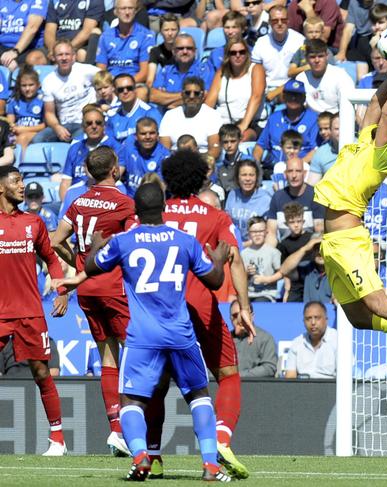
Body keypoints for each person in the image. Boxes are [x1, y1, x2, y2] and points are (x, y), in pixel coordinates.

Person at [53, 183, 232, 481]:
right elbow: (213, 281)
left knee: (131, 401)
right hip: (180, 331)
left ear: (135, 210)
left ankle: (140, 457)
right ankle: (210, 464)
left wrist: (96, 246)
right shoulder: (184, 240)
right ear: (163, 208)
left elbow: (92, 267)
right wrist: (218, 261)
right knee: (198, 395)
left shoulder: (124, 241)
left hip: (142, 335)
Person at [313, 40, 387, 339]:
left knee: (377, 302)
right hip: (332, 242)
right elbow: (379, 103)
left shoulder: (382, 159)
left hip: (349, 241)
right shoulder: (366, 139)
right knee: (358, 318)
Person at [156, 149, 254, 480]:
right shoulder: (215, 216)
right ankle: (222, 438)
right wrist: (243, 305)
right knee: (227, 374)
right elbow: (235, 259)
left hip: (157, 308)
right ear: (202, 179)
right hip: (200, 306)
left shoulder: (155, 214)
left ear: (168, 179)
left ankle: (151, 455)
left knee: (157, 384)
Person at [50, 147, 135, 457]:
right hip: (114, 287)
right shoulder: (124, 203)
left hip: (86, 290)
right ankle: (135, 430)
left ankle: (116, 432)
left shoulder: (78, 202)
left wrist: (81, 267)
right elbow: (133, 244)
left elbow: (56, 241)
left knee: (108, 359)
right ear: (114, 170)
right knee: (135, 354)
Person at [0, 165, 69, 456]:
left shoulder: (34, 223)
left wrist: (62, 290)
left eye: (22, 179)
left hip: (29, 311)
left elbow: (51, 259)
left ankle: (58, 440)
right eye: (16, 181)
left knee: (42, 372)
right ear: (0, 187)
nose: (22, 185)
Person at [34, 39, 100, 144]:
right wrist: (57, 127)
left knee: (76, 142)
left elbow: (107, 80)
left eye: (67, 54)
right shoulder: (49, 81)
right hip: (64, 125)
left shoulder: (87, 71)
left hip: (85, 123)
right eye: (60, 55)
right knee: (37, 140)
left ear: (73, 56)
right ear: (54, 58)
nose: (64, 58)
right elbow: (49, 113)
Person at [205, 37, 266, 142]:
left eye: (242, 52)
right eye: (233, 53)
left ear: (247, 53)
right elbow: (209, 103)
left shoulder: (256, 69)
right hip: (224, 125)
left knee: (240, 139)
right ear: (228, 55)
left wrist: (243, 126)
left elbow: (256, 96)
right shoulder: (221, 72)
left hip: (250, 125)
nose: (238, 55)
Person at [252, 79, 320, 170]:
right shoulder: (274, 118)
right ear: (284, 97)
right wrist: (255, 166)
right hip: (273, 169)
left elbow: (315, 150)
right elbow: (260, 146)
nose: (293, 98)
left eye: (297, 95)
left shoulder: (313, 119)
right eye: (290, 95)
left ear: (304, 98)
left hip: (302, 170)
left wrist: (294, 168)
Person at [59, 105, 121, 201]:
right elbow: (65, 182)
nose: (94, 126)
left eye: (98, 122)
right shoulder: (75, 148)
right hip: (76, 199)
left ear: (104, 125)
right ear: (83, 127)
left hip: (104, 199)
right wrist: (66, 206)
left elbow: (115, 179)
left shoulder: (114, 147)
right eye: (89, 123)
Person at [159, 76, 223, 158]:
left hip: (203, 164)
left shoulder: (213, 116)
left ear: (203, 95)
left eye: (196, 93)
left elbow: (214, 151)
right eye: (187, 93)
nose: (191, 96)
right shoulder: (170, 116)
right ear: (182, 94)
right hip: (175, 163)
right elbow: (164, 151)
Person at [266, 157, 325, 247]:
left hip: (310, 250)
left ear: (304, 174)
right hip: (285, 250)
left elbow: (319, 230)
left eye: (298, 171)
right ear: (285, 174)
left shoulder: (315, 195)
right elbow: (271, 234)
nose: (294, 175)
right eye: (290, 171)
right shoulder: (277, 197)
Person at [96, 0, 156, 85]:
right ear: (116, 12)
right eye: (123, 9)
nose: (127, 12)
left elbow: (144, 73)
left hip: (135, 83)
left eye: (130, 8)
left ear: (135, 11)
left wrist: (124, 84)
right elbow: (101, 70)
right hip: (111, 84)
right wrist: (113, 85)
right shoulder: (105, 36)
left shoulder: (146, 36)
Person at [251, 5, 305, 98]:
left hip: (293, 89)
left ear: (288, 21)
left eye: (283, 20)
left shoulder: (300, 41)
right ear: (269, 22)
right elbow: (254, 73)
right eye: (275, 20)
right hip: (266, 89)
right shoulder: (261, 43)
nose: (279, 23)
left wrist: (277, 92)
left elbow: (304, 73)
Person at [151, 34, 215, 111]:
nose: (185, 51)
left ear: (195, 51)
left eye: (189, 48)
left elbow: (205, 96)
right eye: (180, 48)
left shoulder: (204, 70)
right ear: (173, 51)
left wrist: (166, 99)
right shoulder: (166, 70)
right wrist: (190, 95)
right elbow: (153, 96)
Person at [295, 39, 355, 114]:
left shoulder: (341, 76)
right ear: (306, 58)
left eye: (320, 56)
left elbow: (347, 108)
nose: (317, 60)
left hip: (336, 119)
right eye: (312, 57)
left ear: (327, 56)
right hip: (311, 121)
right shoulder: (301, 79)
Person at [118, 117, 171, 197]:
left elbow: (161, 187)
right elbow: (118, 173)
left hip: (152, 201)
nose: (148, 137)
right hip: (128, 200)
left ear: (157, 135)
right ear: (136, 136)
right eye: (143, 134)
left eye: (152, 133)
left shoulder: (165, 157)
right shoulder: (128, 147)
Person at [276, 202, 319, 302]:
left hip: (313, 280)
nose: (296, 225)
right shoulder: (284, 244)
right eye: (292, 222)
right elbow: (285, 270)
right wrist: (287, 289)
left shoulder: (312, 238)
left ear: (303, 221)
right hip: (295, 284)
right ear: (286, 224)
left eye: (299, 221)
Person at [225, 159, 272, 245]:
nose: (248, 179)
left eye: (251, 175)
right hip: (235, 245)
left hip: (256, 246)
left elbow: (269, 233)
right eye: (244, 175)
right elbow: (227, 224)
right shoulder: (232, 194)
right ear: (237, 177)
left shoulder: (266, 199)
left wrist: (243, 245)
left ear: (256, 177)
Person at [284, 301, 336, 378]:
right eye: (308, 318)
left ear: (326, 319)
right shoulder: (297, 343)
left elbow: (347, 376)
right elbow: (290, 377)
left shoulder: (338, 341)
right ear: (303, 322)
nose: (313, 322)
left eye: (317, 318)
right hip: (302, 388)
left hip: (331, 388)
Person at [230, 300, 278, 377]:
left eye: (242, 316)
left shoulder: (265, 338)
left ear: (252, 316)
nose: (239, 319)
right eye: (235, 316)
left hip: (255, 386)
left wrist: (237, 376)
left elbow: (269, 368)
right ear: (230, 318)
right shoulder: (223, 340)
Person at [107, 74, 161, 142]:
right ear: (115, 92)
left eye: (129, 88)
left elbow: (157, 141)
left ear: (135, 89)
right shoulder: (113, 116)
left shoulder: (150, 112)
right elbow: (110, 143)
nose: (125, 91)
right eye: (120, 89)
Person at [241, 216, 283, 302]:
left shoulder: (273, 252)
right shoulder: (243, 254)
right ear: (249, 234)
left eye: (260, 231)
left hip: (267, 294)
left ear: (266, 232)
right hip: (248, 294)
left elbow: (282, 272)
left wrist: (267, 279)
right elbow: (239, 276)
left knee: (259, 302)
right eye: (254, 232)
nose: (257, 234)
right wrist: (247, 273)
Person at [6, 65, 46, 154]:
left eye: (31, 85)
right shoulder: (14, 101)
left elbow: (45, 125)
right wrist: (13, 127)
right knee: (10, 139)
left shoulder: (43, 100)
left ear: (38, 85)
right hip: (17, 132)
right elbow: (9, 122)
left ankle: (19, 166)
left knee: (22, 138)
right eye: (24, 85)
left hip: (36, 132)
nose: (27, 89)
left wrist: (24, 129)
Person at [0, 0, 47, 72]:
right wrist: (2, 55)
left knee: (33, 58)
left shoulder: (37, 1)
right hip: (3, 46)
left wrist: (15, 52)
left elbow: (32, 28)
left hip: (29, 47)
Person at [146, 13, 180, 87]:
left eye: (173, 29)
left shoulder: (184, 50)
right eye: (166, 30)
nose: (170, 33)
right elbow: (150, 79)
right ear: (160, 31)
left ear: (178, 30)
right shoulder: (155, 51)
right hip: (162, 85)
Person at [307, 113, 340, 185]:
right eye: (337, 129)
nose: (323, 132)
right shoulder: (320, 152)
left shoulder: (360, 147)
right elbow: (311, 186)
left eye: (326, 128)